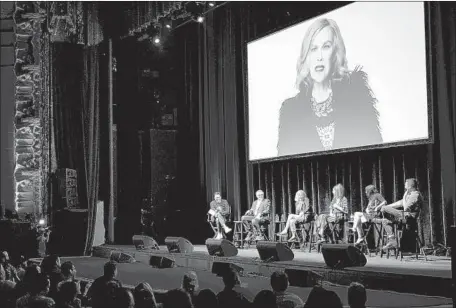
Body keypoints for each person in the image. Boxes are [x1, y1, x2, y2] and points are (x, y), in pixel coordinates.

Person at [277, 18, 382, 157]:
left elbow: (376, 154)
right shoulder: (290, 111)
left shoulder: (358, 98)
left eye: (326, 46)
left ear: (335, 53)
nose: (319, 57)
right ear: (306, 57)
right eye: (313, 49)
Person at [378, 178, 422, 250]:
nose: (404, 184)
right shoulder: (408, 194)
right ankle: (392, 241)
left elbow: (407, 207)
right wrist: (387, 207)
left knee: (384, 208)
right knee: (385, 221)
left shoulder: (415, 194)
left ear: (410, 186)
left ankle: (383, 212)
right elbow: (399, 203)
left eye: (406, 183)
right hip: (403, 216)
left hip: (409, 218)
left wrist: (385, 208)